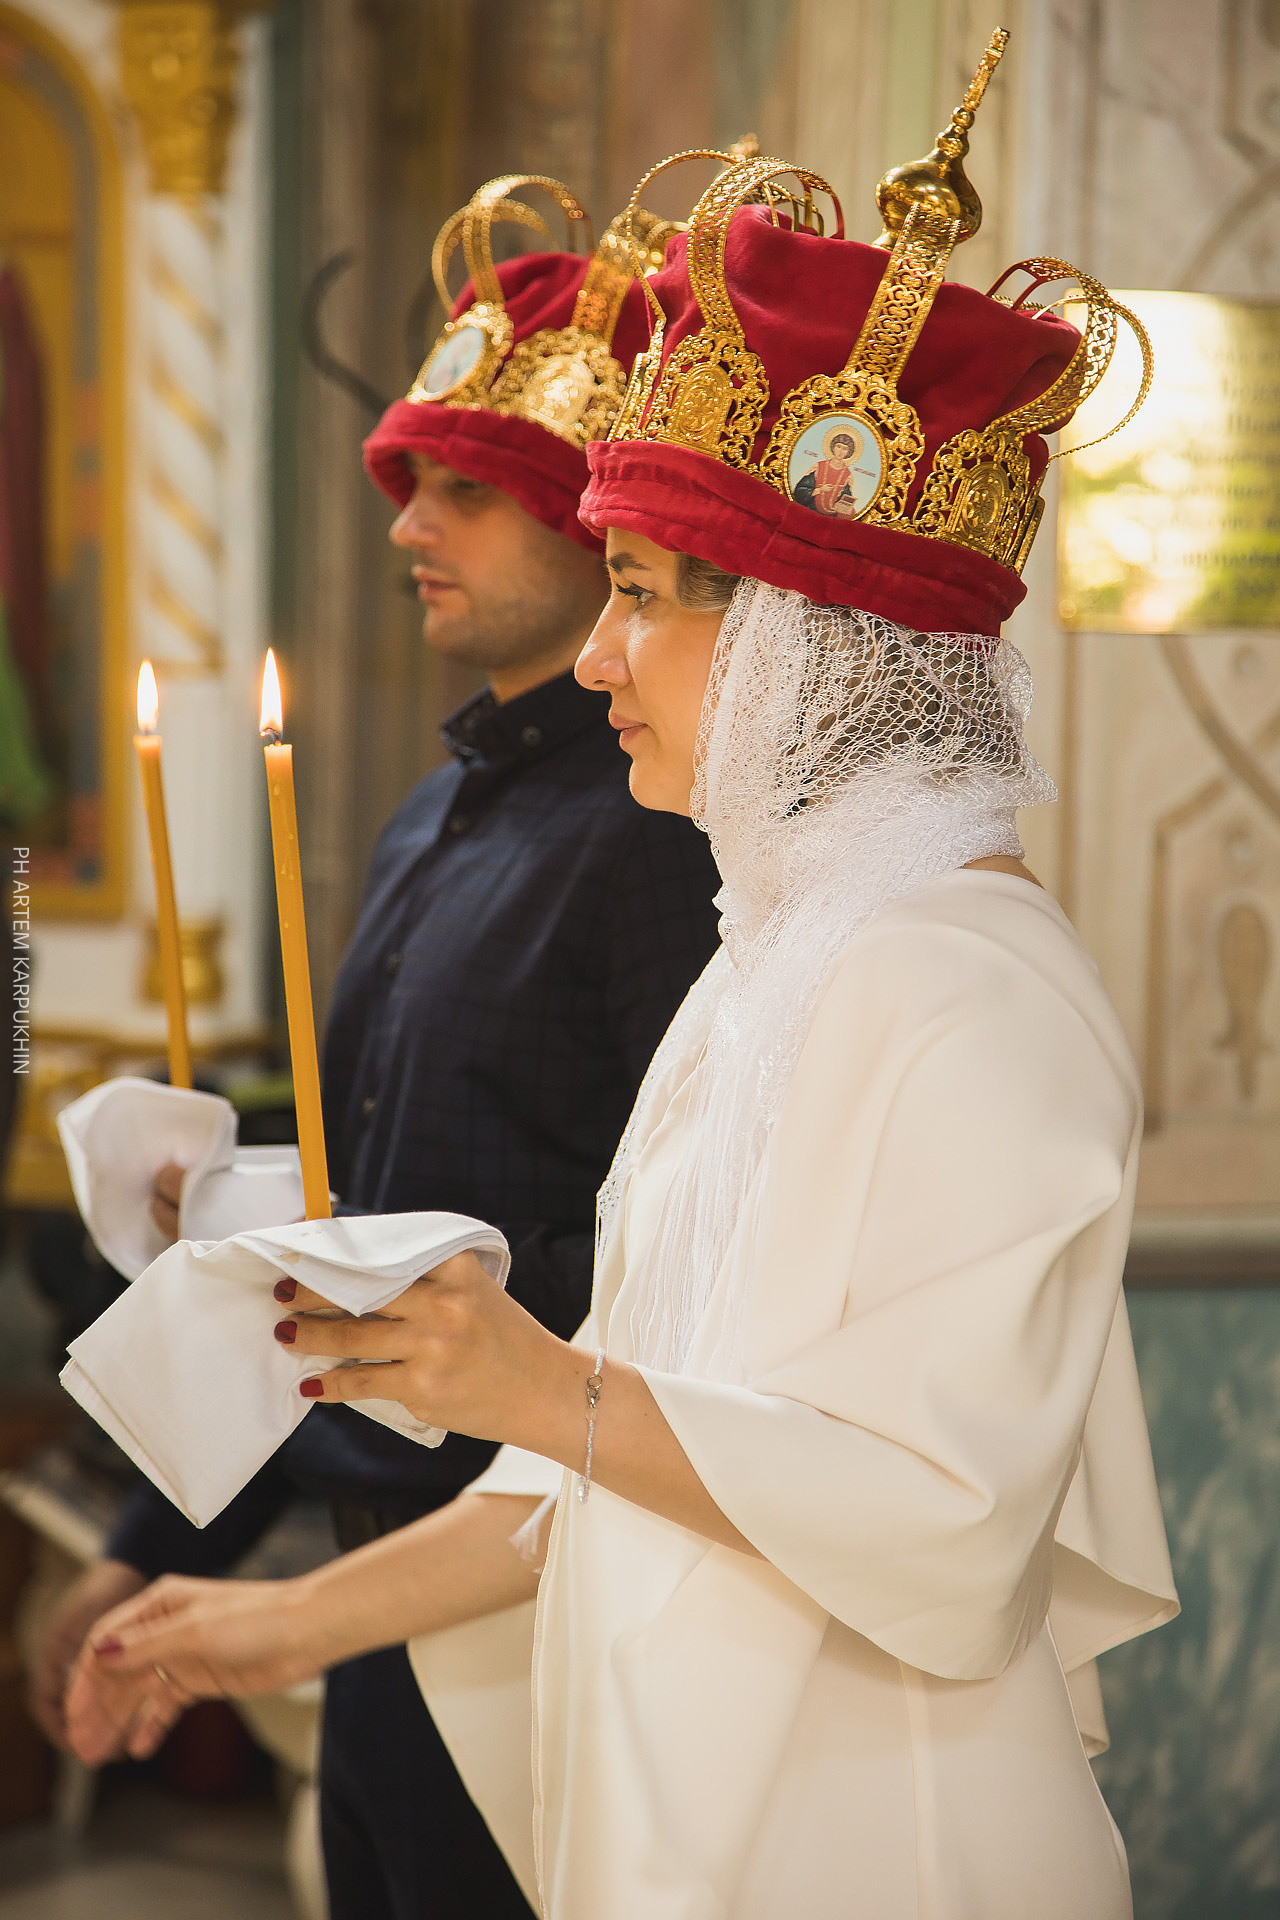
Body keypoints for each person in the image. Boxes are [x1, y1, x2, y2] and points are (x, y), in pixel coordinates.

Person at [66, 113, 1179, 1920]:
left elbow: (953, 1523)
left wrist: (534, 1375)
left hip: (872, 1833)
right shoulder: (778, 960)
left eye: (645, 601)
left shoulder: (968, 989)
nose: (596, 658)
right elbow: (592, 1465)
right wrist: (269, 1627)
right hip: (677, 1811)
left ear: (804, 640)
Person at [37, 175, 721, 1920]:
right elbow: (372, 1194)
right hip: (370, 1586)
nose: (412, 524)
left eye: (467, 490)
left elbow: (666, 1271)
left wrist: (400, 1302)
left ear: (598, 532)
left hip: (550, 1578)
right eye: (408, 483)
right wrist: (230, 1193)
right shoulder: (435, 816)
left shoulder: (669, 838)